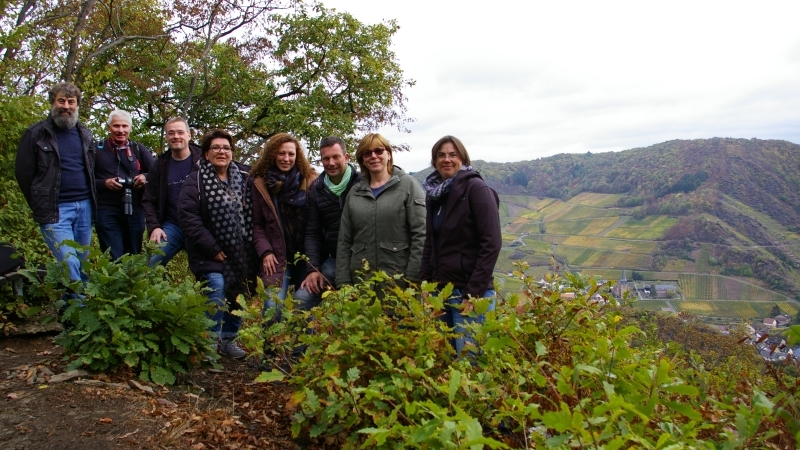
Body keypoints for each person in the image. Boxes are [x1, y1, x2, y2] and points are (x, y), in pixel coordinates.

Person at [419, 136, 501, 355]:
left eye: (453, 155)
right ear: (434, 161)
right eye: (441, 155)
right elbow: (430, 243)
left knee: (470, 366)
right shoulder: (434, 196)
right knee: (446, 361)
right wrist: (426, 285)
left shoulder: (476, 189)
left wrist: (474, 293)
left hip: (470, 293)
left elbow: (491, 243)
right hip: (442, 292)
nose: (447, 159)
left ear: (463, 159)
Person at [179, 129, 255, 358]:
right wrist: (212, 248)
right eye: (216, 148)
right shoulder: (196, 180)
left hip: (242, 253)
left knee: (238, 295)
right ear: (205, 153)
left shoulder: (245, 176)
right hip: (208, 253)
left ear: (232, 152)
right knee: (217, 290)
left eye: (226, 147)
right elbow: (188, 217)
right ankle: (209, 344)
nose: (221, 151)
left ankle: (229, 339)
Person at [15, 82, 96, 288]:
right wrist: (39, 202)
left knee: (82, 261)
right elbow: (24, 174)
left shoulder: (85, 134)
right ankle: (77, 311)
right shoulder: (35, 134)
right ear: (53, 102)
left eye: (71, 102)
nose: (66, 106)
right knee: (69, 261)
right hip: (55, 210)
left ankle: (78, 310)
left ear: (78, 105)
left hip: (85, 207)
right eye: (61, 101)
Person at [335, 133, 426, 288]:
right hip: (362, 283)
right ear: (362, 159)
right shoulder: (355, 192)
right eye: (367, 153)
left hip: (399, 282)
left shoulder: (408, 186)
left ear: (388, 154)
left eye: (379, 151)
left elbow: (421, 235)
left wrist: (414, 278)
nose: (374, 156)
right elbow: (344, 241)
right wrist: (343, 281)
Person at [250, 133, 317, 315]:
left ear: (297, 156)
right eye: (281, 153)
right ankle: (272, 344)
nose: (286, 159)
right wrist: (265, 251)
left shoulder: (310, 180)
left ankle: (300, 344)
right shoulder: (260, 183)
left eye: (291, 154)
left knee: (303, 307)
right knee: (272, 305)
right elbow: (257, 224)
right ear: (272, 154)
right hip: (276, 253)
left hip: (305, 255)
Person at [297, 136, 360, 309]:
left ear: (346, 157)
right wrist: (313, 269)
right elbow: (312, 233)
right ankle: (304, 336)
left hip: (364, 259)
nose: (331, 162)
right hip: (334, 260)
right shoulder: (316, 190)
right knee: (301, 300)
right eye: (326, 158)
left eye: (336, 157)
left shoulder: (362, 184)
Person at [93, 110, 155, 259]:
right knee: (114, 256)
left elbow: (157, 173)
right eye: (116, 126)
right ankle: (114, 282)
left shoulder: (138, 149)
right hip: (106, 210)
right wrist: (104, 183)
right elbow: (84, 179)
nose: (121, 130)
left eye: (125, 126)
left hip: (135, 209)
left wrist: (144, 177)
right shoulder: (97, 149)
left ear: (130, 128)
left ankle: (131, 283)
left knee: (133, 256)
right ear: (109, 127)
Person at [142, 117, 202, 267]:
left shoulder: (204, 161)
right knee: (151, 265)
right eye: (171, 133)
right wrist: (154, 227)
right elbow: (148, 200)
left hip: (201, 225)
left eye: (180, 132)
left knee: (209, 274)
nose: (176, 136)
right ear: (166, 137)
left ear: (189, 135)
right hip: (172, 226)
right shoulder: (159, 165)